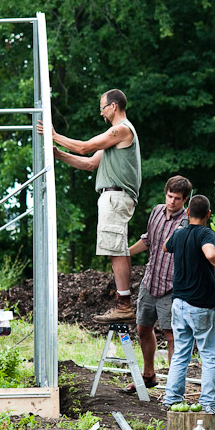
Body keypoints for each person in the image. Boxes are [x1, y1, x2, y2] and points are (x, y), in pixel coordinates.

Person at [36, 89, 141, 323]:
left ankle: (124, 304)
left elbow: (85, 147)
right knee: (116, 249)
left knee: (116, 250)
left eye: (103, 108)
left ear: (114, 106)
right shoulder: (114, 138)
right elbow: (90, 163)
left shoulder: (121, 130)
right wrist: (59, 154)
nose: (101, 113)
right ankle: (122, 302)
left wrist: (54, 136)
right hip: (112, 197)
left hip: (116, 196)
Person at [161, 194, 215, 414]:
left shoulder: (179, 234)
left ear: (187, 213)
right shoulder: (206, 233)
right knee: (210, 354)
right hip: (200, 305)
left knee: (181, 353)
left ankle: (171, 399)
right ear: (208, 214)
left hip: (178, 303)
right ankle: (207, 403)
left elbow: (165, 247)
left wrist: (182, 228)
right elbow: (210, 254)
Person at [123, 175, 193, 394]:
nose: (172, 201)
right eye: (170, 196)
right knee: (143, 328)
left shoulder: (187, 222)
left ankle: (173, 387)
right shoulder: (156, 211)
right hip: (150, 280)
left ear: (185, 200)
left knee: (171, 334)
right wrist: (124, 253)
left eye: (178, 198)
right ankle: (148, 375)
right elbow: (148, 240)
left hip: (172, 287)